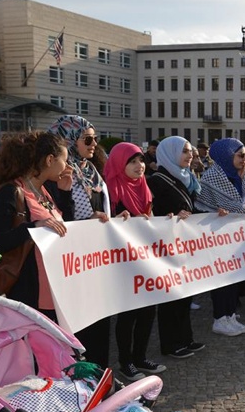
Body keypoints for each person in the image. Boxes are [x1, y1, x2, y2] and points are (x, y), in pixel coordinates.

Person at [45, 115, 128, 369]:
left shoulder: (91, 171)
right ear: (70, 141)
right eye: (88, 139)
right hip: (75, 261)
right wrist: (86, 218)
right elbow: (60, 216)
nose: (94, 144)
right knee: (80, 325)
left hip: (96, 259)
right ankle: (83, 378)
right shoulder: (56, 176)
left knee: (100, 319)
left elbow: (100, 206)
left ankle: (101, 374)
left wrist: (116, 216)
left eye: (95, 139)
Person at [0, 132, 72, 311]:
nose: (67, 166)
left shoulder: (45, 191)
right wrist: (33, 227)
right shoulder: (11, 191)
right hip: (27, 293)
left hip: (52, 288)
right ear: (50, 160)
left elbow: (62, 229)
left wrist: (66, 195)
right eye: (65, 160)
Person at [103, 142, 166, 381]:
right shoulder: (109, 190)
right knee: (127, 314)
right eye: (132, 161)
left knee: (148, 310)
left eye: (141, 161)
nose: (139, 166)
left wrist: (166, 221)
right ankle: (125, 361)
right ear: (120, 163)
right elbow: (102, 224)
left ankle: (140, 357)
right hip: (122, 262)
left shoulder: (144, 187)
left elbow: (150, 220)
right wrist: (116, 220)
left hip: (145, 260)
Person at [147, 136, 208, 359]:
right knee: (170, 297)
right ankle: (170, 344)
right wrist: (171, 217)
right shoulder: (157, 180)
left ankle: (185, 338)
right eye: (184, 151)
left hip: (185, 243)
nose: (189, 155)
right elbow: (152, 214)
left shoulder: (188, 176)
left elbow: (192, 208)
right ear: (170, 153)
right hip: (166, 245)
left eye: (190, 151)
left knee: (185, 293)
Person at [195, 137, 245, 334]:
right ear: (227, 156)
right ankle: (219, 318)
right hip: (218, 238)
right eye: (240, 155)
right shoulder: (211, 177)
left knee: (234, 278)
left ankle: (230, 314)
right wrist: (218, 213)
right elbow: (203, 208)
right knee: (222, 280)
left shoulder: (241, 174)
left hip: (235, 236)